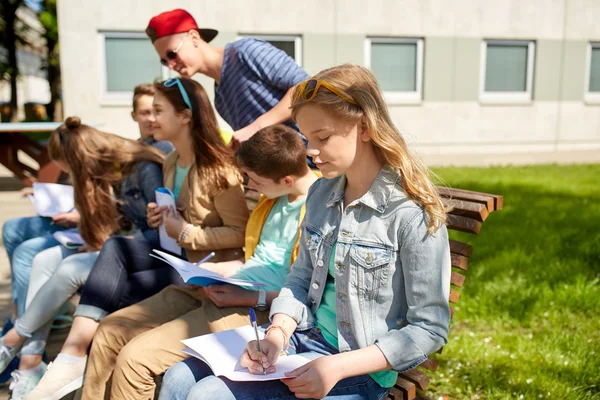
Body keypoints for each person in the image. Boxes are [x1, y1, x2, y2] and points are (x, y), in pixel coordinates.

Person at [159, 64, 452, 400]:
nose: (311, 151)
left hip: (357, 367)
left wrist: (336, 367)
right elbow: (300, 279)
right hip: (302, 338)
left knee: (208, 396)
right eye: (307, 138)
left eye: (322, 137)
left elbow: (428, 329)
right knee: (179, 376)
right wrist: (277, 335)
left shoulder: (412, 213)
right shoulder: (321, 194)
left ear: (365, 127)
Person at [25, 77, 250, 400]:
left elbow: (242, 235)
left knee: (124, 333)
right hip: (185, 273)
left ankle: (62, 354)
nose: (150, 118)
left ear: (185, 116)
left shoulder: (219, 170)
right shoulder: (172, 162)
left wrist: (186, 231)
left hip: (213, 279)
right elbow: (177, 223)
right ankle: (72, 363)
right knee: (107, 330)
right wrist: (160, 218)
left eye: (158, 111)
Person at [81, 124, 318, 400]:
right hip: (228, 286)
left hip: (255, 307)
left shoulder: (316, 211)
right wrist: (212, 270)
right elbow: (259, 257)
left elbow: (307, 293)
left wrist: (252, 296)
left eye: (254, 180)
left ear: (287, 180)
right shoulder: (275, 200)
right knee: (110, 329)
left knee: (136, 358)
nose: (249, 186)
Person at [0, 115, 166, 399]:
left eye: (67, 167)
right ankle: (29, 365)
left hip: (145, 253)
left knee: (69, 267)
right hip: (120, 246)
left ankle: (12, 339)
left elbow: (161, 231)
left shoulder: (144, 169)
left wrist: (117, 239)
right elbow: (113, 222)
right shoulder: (108, 172)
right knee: (42, 259)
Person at [146, 9, 311, 155]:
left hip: (317, 161)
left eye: (172, 54)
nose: (171, 64)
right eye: (164, 61)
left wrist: (256, 127)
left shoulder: (245, 51)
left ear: (194, 37)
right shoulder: (220, 99)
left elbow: (307, 87)